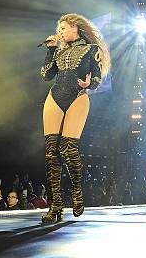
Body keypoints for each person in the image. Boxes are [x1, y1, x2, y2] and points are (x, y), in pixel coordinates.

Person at [40, 13, 111, 223]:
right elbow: (46, 75)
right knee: (51, 153)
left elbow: (97, 78)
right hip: (55, 97)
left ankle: (77, 191)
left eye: (63, 28)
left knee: (68, 148)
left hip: (78, 97)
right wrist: (51, 50)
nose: (60, 31)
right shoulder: (59, 50)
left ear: (75, 27)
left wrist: (89, 84)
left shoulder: (91, 50)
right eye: (59, 28)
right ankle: (56, 206)